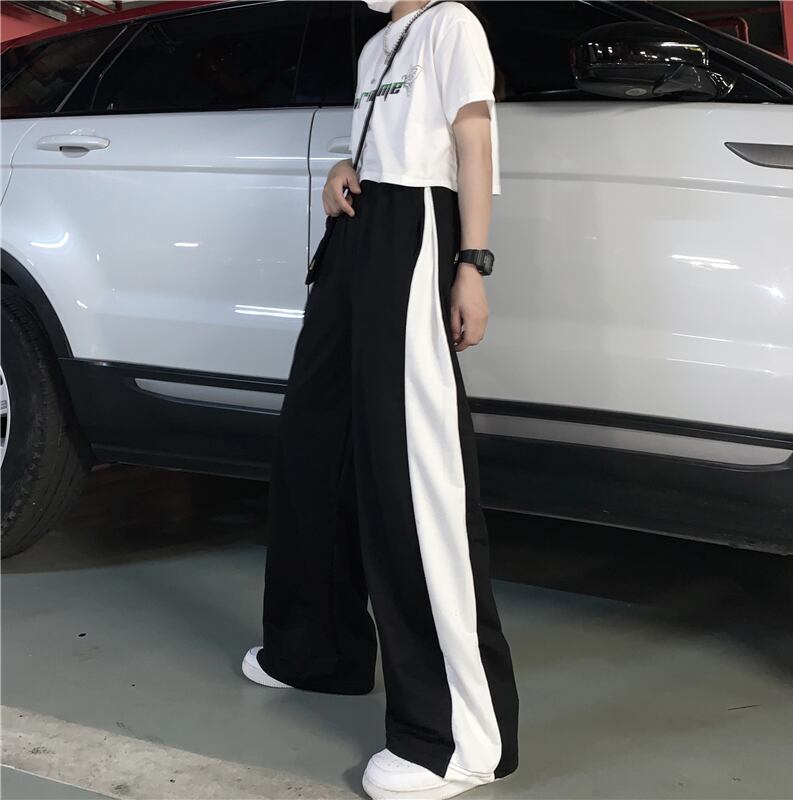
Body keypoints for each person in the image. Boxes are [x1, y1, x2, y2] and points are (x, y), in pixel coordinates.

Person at [242, 2, 519, 797]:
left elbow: (472, 140)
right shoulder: (376, 48)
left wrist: (472, 263)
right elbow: (386, 137)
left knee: (413, 470)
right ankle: (316, 650)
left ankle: (458, 737)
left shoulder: (451, 22)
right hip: (359, 229)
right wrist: (343, 167)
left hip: (415, 227)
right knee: (314, 442)